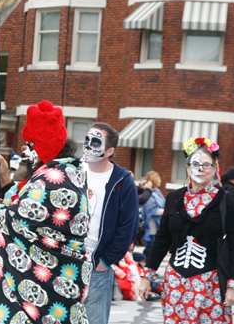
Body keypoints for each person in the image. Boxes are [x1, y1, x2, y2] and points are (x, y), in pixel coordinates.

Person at [0, 100, 91, 324]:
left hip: (48, 283)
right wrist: (5, 179)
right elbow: (29, 209)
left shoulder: (52, 179)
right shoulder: (71, 172)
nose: (25, 150)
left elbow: (17, 220)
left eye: (29, 144)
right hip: (64, 281)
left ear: (43, 146)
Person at [138, 137, 234, 323]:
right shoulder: (173, 198)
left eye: (206, 164)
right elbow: (162, 240)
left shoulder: (227, 201)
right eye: (195, 164)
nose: (201, 168)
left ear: (214, 169)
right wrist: (147, 276)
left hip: (211, 283)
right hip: (175, 283)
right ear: (187, 167)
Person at [82, 122, 139, 324]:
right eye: (87, 140)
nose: (88, 145)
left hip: (97, 267)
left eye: (95, 142)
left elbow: (129, 226)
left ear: (110, 151)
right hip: (64, 262)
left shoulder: (122, 181)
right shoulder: (71, 171)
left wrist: (105, 262)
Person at [138, 171, 165, 255]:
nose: (161, 181)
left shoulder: (157, 192)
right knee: (150, 247)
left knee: (152, 247)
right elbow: (151, 211)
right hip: (151, 225)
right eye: (159, 179)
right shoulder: (149, 193)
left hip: (157, 224)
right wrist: (167, 211)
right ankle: (144, 262)